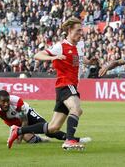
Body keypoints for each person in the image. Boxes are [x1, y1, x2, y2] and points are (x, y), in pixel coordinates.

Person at [7, 17, 97, 150]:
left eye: (81, 31)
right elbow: (38, 55)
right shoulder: (60, 47)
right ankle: (69, 141)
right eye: (78, 31)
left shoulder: (80, 45)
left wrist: (89, 62)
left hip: (69, 86)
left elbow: (79, 59)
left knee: (53, 127)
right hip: (65, 84)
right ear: (69, 30)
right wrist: (53, 57)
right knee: (76, 109)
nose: (80, 33)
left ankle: (18, 130)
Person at [0, 90, 92, 144]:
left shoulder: (17, 102)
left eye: (7, 101)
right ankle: (40, 140)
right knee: (29, 138)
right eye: (3, 102)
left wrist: (18, 139)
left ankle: (73, 139)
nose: (6, 103)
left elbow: (24, 121)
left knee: (50, 130)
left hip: (27, 113)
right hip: (11, 120)